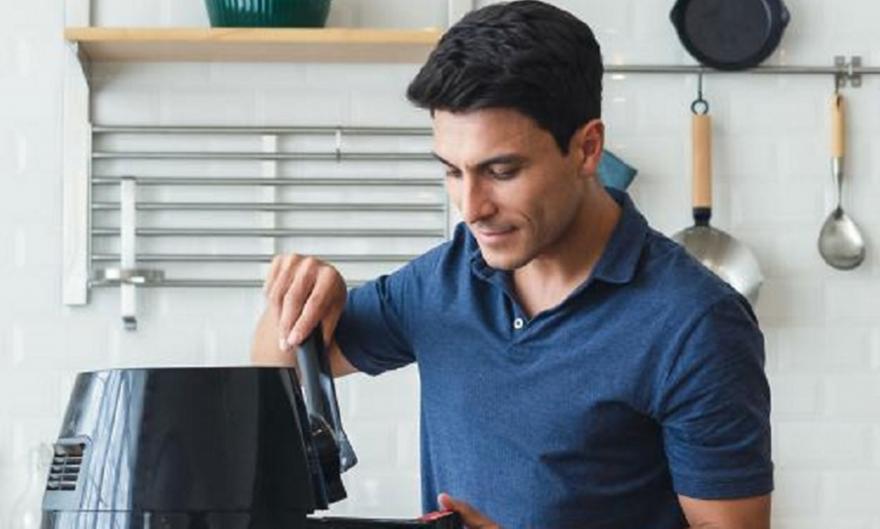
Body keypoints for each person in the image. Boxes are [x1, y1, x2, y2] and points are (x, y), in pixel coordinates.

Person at [252, 1, 773, 527]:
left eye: (501, 171)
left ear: (587, 148)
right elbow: (275, 374)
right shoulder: (446, 279)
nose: (471, 207)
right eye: (452, 171)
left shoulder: (696, 323)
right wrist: (300, 296)